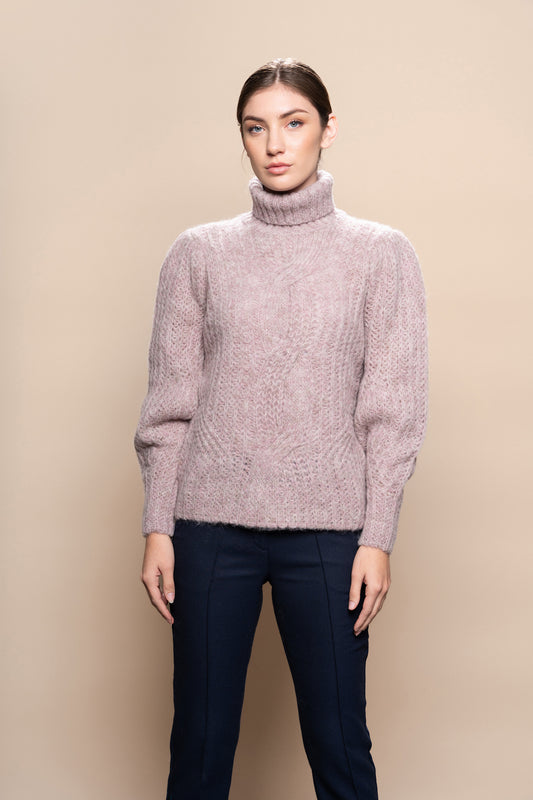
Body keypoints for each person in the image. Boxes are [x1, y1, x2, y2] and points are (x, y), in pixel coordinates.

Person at [134, 58, 428, 800]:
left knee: (339, 744)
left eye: (294, 124)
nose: (274, 144)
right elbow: (170, 403)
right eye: (255, 127)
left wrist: (377, 536)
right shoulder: (197, 254)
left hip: (330, 533)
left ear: (327, 129)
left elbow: (393, 410)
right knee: (199, 747)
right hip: (209, 527)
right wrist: (159, 527)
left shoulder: (380, 254)